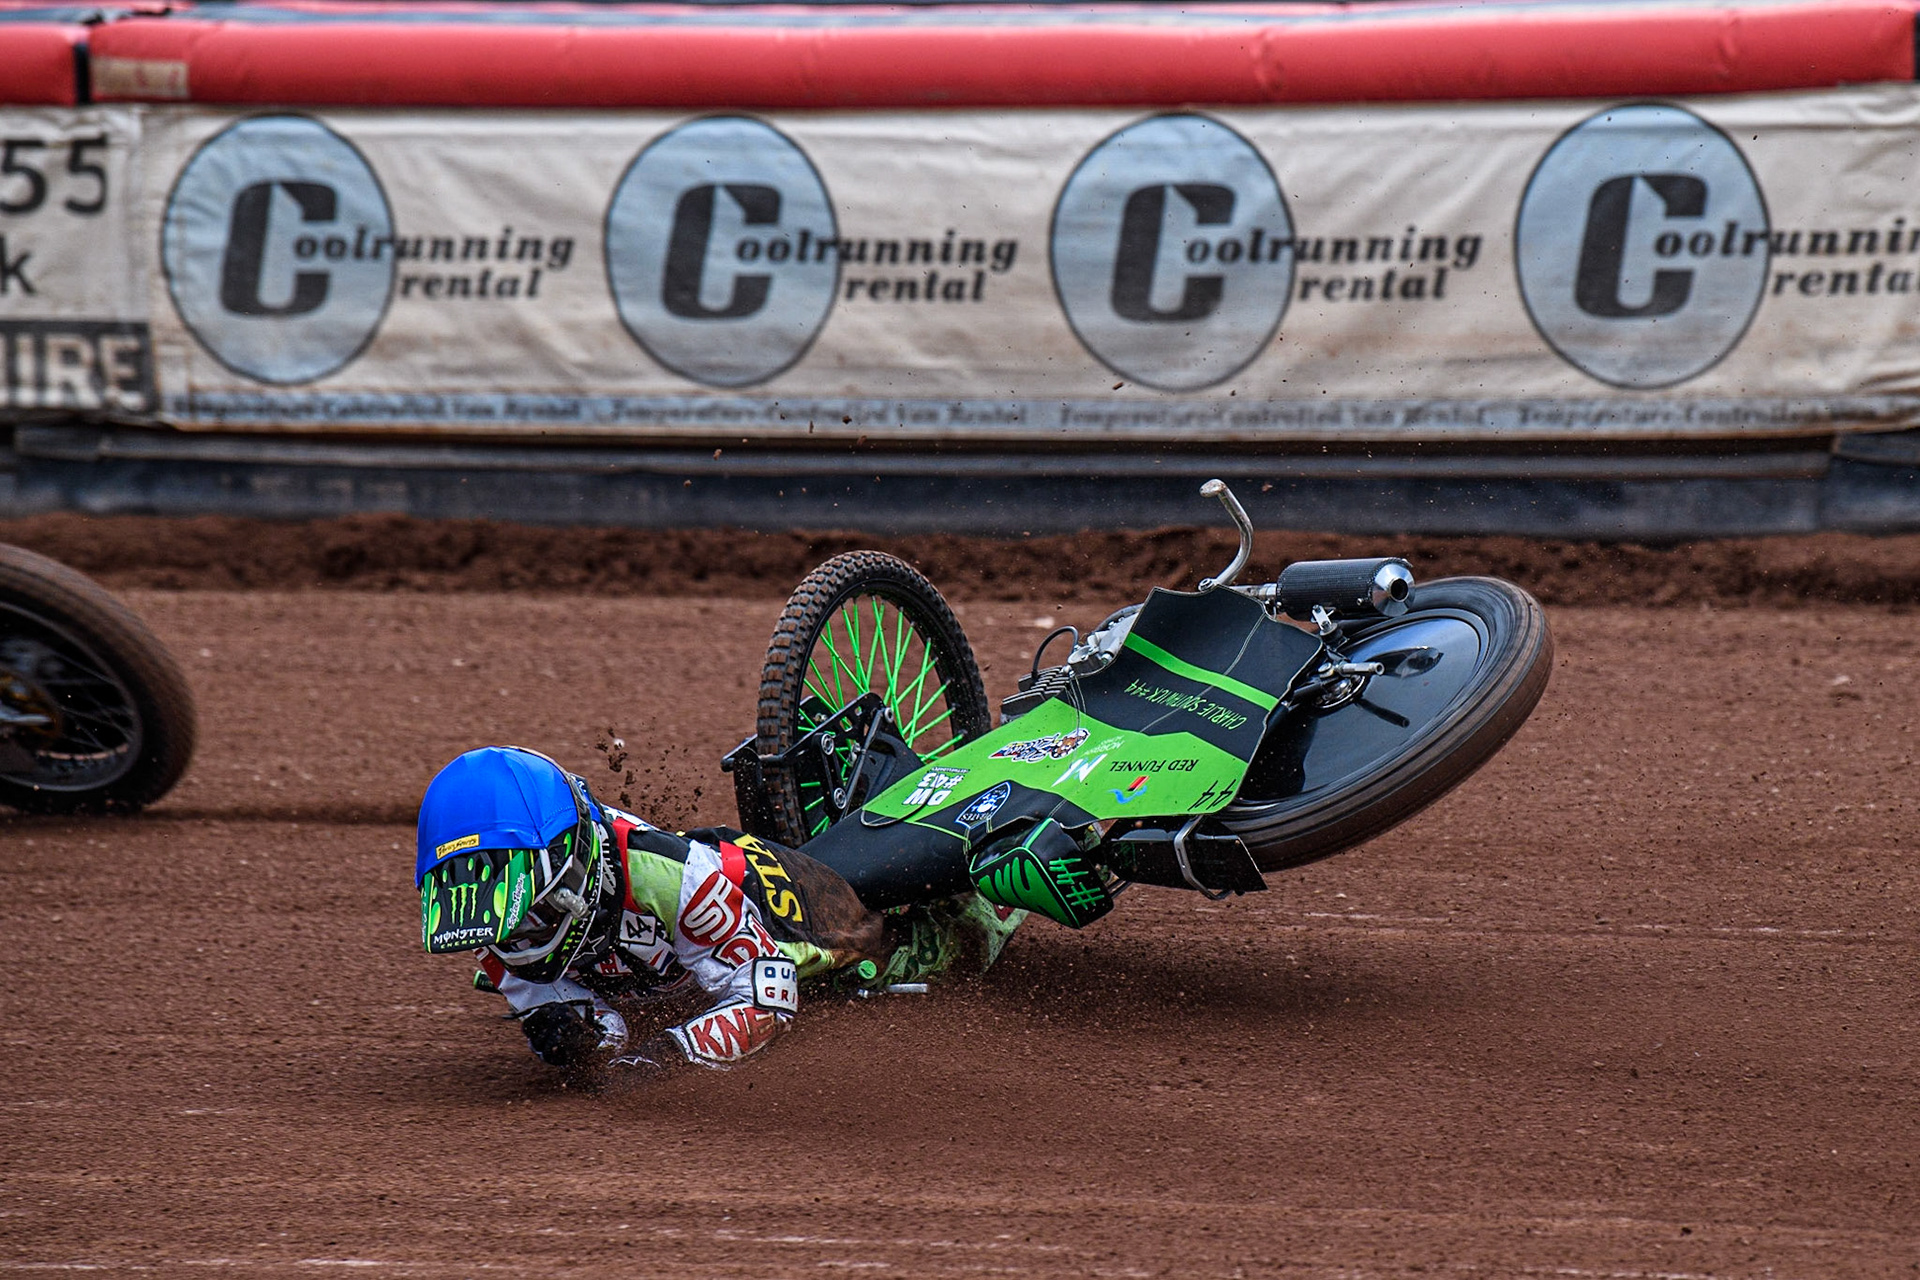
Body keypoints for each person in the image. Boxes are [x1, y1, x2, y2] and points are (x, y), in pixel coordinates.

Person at [415, 745, 1021, 1076]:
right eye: (503, 921)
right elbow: (600, 1027)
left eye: (534, 915)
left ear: (575, 869)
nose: (513, 940)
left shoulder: (675, 881)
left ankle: (1012, 851)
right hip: (676, 952)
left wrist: (667, 1054)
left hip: (778, 908)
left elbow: (766, 997)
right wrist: (579, 1037)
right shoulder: (487, 923)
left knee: (943, 946)